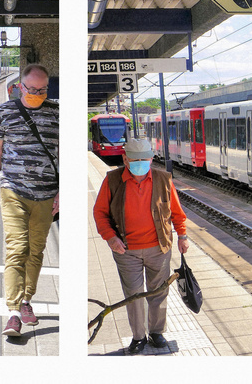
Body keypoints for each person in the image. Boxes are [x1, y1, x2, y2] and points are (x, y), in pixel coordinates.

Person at [92, 138, 189, 355]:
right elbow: (100, 213)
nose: (139, 163)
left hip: (159, 248)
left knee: (158, 292)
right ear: (125, 158)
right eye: (134, 159)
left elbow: (176, 212)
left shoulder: (163, 179)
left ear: (151, 159)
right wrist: (110, 238)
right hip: (126, 250)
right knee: (133, 294)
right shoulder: (112, 180)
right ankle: (138, 336)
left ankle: (156, 333)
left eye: (144, 159)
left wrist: (182, 236)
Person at [0, 62, 59, 338]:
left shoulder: (57, 113)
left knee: (36, 250)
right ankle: (14, 312)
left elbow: (63, 153)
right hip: (12, 189)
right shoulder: (5, 113)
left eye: (42, 90)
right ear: (20, 86)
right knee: (17, 247)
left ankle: (27, 300)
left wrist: (62, 191)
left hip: (47, 193)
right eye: (31, 89)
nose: (36, 94)